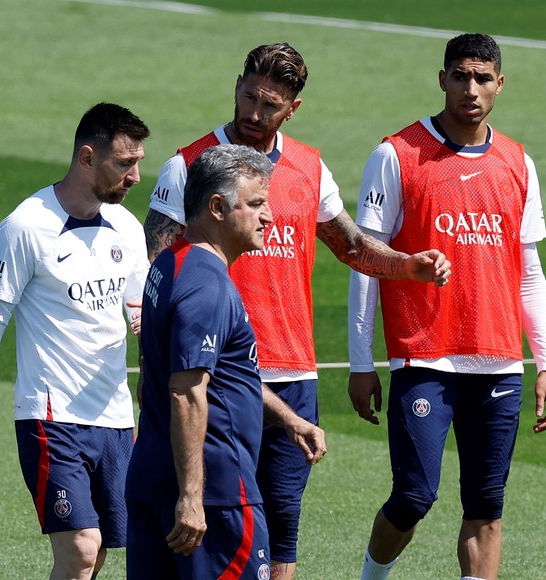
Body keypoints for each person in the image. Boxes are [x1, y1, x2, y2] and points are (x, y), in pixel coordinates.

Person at [143, 42, 451, 580]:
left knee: (282, 531)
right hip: (217, 374)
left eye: (270, 105)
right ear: (236, 84)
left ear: (293, 108)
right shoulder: (188, 166)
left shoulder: (309, 167)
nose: (255, 114)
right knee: (207, 526)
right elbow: (154, 268)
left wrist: (408, 266)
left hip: (293, 375)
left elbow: (352, 246)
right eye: (249, 97)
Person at [347, 34, 546, 580]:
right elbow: (366, 261)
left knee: (487, 508)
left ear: (499, 84)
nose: (471, 88)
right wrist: (359, 362)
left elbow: (529, 272)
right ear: (442, 78)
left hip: (498, 361)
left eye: (482, 77)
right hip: (423, 357)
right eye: (460, 76)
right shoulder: (396, 154)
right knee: (415, 495)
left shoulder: (518, 162)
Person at [0, 102, 151, 580]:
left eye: (138, 162)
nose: (136, 176)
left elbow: (139, 314)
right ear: (86, 158)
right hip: (51, 416)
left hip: (115, 417)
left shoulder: (127, 228)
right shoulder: (25, 226)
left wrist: (159, 375)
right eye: (124, 163)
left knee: (95, 555)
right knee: (81, 549)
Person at [126, 144, 328, 580]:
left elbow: (220, 375)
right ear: (217, 207)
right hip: (215, 497)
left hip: (152, 480)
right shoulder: (207, 287)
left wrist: (289, 420)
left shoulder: (169, 266)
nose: (268, 216)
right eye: (255, 204)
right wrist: (192, 497)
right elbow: (187, 393)